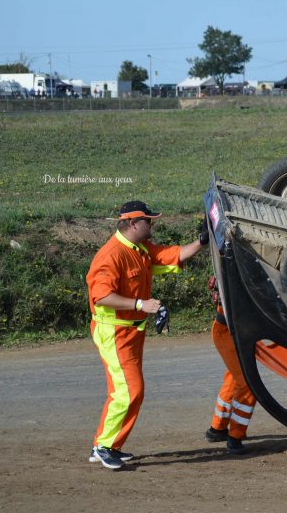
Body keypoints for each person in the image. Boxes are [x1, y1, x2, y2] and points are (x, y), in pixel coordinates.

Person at [85, 201, 205, 469]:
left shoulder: (140, 249)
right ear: (132, 223)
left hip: (131, 332)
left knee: (125, 390)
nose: (152, 224)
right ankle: (104, 446)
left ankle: (107, 445)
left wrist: (202, 240)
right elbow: (102, 296)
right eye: (149, 221)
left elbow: (173, 255)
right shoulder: (111, 255)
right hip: (113, 333)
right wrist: (141, 305)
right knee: (130, 391)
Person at [204, 289, 256, 456]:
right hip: (227, 332)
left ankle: (217, 428)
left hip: (230, 330)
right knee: (247, 382)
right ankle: (235, 437)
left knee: (234, 377)